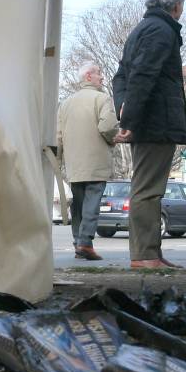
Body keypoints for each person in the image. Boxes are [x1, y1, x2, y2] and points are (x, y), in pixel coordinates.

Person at [112, 0, 186, 269]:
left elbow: (120, 77)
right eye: (183, 3)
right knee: (148, 189)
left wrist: (124, 111)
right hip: (156, 122)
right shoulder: (160, 30)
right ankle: (145, 256)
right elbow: (143, 75)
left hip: (147, 120)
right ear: (176, 4)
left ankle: (151, 254)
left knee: (148, 188)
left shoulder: (142, 30)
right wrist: (129, 118)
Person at [57, 64, 119, 260]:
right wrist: (114, 138)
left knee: (78, 203)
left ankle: (78, 243)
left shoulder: (65, 103)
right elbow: (108, 126)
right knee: (92, 201)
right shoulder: (102, 98)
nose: (102, 77)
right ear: (88, 76)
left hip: (73, 163)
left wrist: (58, 161)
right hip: (96, 160)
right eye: (99, 73)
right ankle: (85, 243)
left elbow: (57, 135)